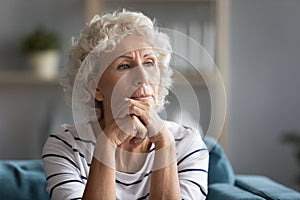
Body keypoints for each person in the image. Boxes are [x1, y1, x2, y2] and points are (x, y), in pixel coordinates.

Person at [42, 9, 209, 200]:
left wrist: (164, 142)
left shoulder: (187, 143)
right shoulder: (66, 145)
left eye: (149, 63)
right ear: (95, 87)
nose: (144, 77)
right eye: (124, 66)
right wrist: (107, 142)